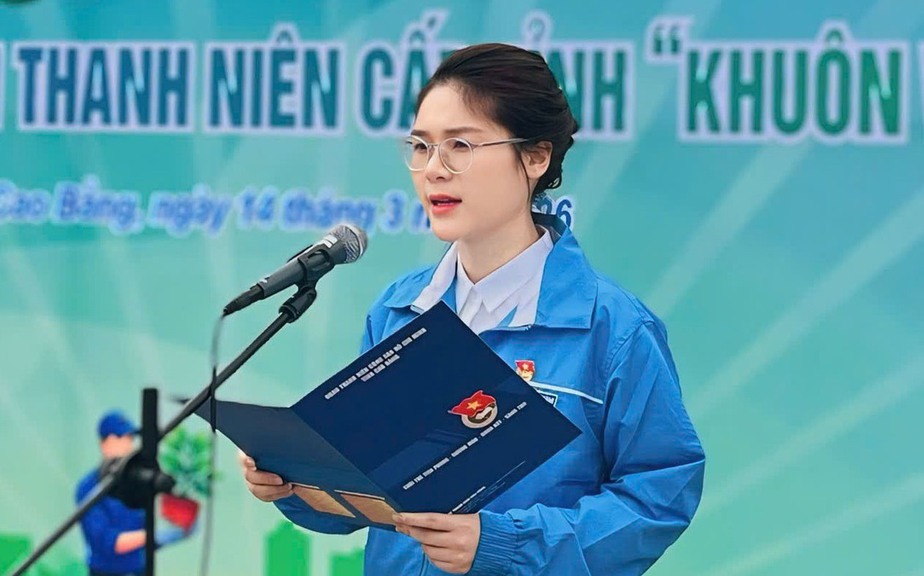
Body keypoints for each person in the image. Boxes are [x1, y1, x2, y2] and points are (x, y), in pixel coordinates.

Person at [241, 42, 705, 575]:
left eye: (460, 145)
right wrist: (296, 480)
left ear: (536, 157)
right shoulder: (398, 310)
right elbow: (370, 482)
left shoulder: (612, 329)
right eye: (421, 146)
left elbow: (659, 498)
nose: (433, 170)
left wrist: (504, 544)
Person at [76, 410, 194, 576]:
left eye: (131, 439)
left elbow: (148, 521)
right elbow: (108, 543)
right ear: (107, 442)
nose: (130, 445)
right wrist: (155, 536)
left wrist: (180, 519)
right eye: (125, 438)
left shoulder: (137, 482)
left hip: (139, 569)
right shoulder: (88, 488)